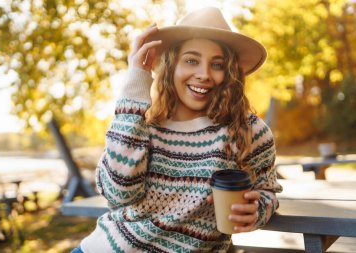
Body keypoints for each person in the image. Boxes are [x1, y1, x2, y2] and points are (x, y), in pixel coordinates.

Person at [74, 7, 282, 253]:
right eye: (191, 60)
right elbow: (118, 195)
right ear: (171, 66)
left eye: (217, 64)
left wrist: (256, 212)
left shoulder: (249, 132)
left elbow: (267, 192)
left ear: (230, 72)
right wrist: (135, 84)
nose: (204, 74)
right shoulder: (141, 124)